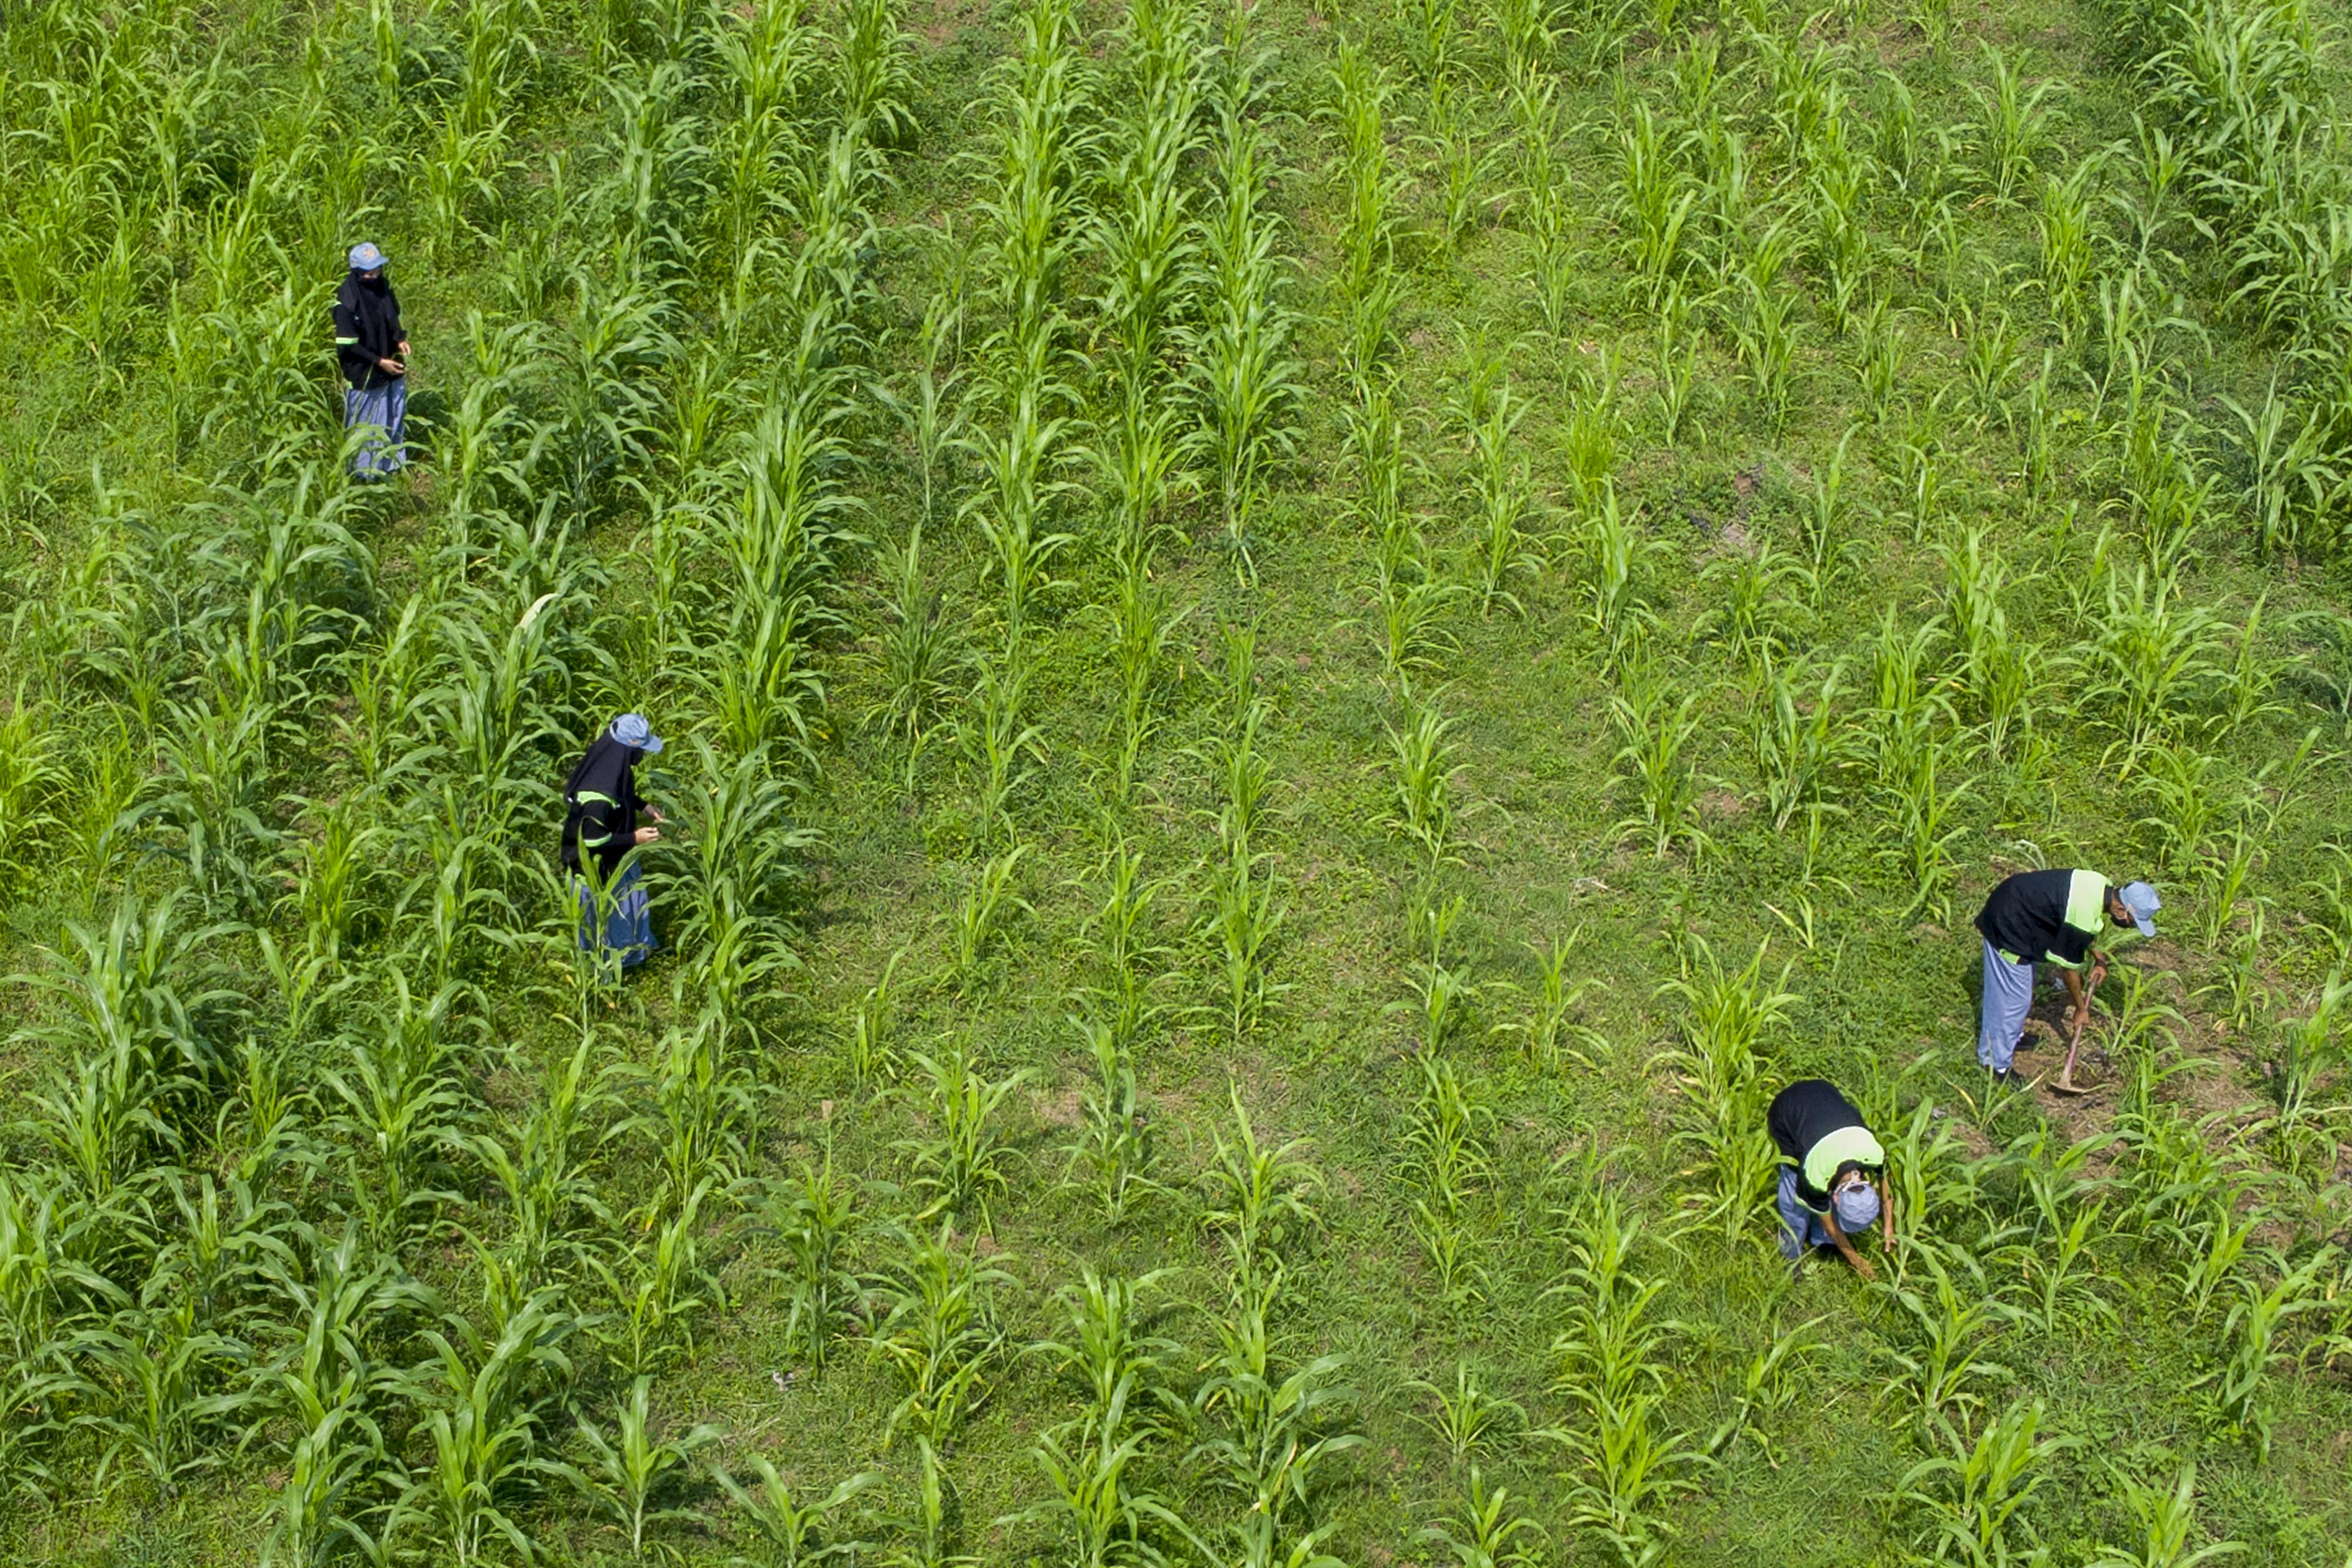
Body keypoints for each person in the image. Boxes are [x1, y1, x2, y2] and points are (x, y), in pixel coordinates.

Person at [1973, 870, 2159, 1085]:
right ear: (2120, 909)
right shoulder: (2083, 914)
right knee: (2013, 1000)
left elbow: (2077, 929)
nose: (2131, 925)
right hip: (2008, 922)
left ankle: (2012, 1037)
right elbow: (2068, 970)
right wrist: (2081, 1009)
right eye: (2132, 921)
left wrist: (2098, 958)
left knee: (2019, 992)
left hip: (2022, 907)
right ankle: (1994, 1064)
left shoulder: (2101, 885)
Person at [562, 714, 666, 969]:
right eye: (640, 750)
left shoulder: (610, 760)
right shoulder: (599, 797)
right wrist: (635, 838)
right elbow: (593, 841)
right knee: (612, 913)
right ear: (629, 748)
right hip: (597, 870)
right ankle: (612, 964)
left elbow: (623, 792)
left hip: (616, 855)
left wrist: (643, 806)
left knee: (633, 898)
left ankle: (636, 950)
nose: (642, 756)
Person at [1767, 1078, 1893, 1279]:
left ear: (1870, 1187)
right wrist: (1856, 1260)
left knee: (1820, 1207)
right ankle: (1790, 1255)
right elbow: (1829, 1222)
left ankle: (1821, 1242)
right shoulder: (1815, 1176)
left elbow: (1888, 1188)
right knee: (1794, 1202)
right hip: (1787, 1110)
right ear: (1834, 1199)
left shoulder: (1875, 1153)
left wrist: (1889, 1227)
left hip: (1826, 1094)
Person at [333, 242, 410, 479]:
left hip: (390, 361)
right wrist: (378, 361)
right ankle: (365, 475)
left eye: (377, 269)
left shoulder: (382, 287)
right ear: (356, 272)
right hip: (364, 370)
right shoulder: (346, 302)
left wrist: (399, 340)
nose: (374, 275)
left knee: (395, 408)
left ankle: (393, 463)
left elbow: (391, 316)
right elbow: (348, 346)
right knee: (367, 422)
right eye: (369, 271)